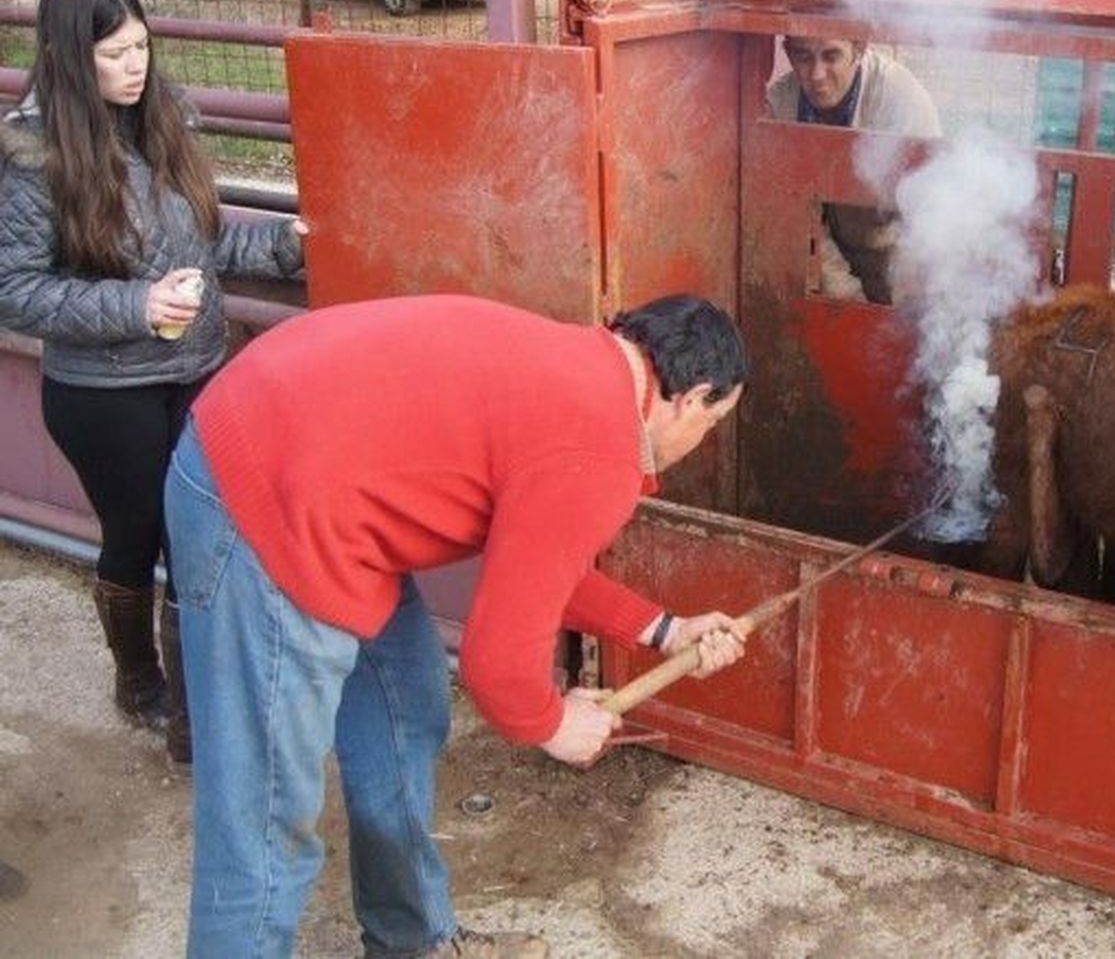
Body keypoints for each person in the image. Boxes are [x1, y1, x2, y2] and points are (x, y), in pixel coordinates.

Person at [164, 292, 751, 957]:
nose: (702, 440)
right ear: (692, 396)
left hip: (311, 463)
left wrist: (666, 628)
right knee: (265, 819)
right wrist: (554, 723)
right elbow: (497, 665)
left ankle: (413, 940)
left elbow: (537, 558)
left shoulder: (585, 368)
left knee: (407, 706)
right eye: (715, 421)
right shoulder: (602, 444)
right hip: (260, 493)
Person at [0, 0, 306, 765]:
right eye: (115, 53)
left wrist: (287, 245)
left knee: (200, 534)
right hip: (104, 391)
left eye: (142, 45)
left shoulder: (163, 121)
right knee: (140, 533)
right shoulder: (35, 155)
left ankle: (198, 713)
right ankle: (140, 678)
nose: (136, 65)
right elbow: (16, 290)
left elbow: (204, 243)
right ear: (73, 58)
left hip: (197, 367)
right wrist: (136, 306)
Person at [766, 37, 941, 304]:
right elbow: (799, 224)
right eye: (803, 57)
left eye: (831, 56)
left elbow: (927, 222)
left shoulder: (900, 100)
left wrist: (904, 312)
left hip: (895, 261)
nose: (817, 75)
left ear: (858, 49)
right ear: (788, 54)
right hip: (826, 263)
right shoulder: (780, 105)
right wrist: (848, 302)